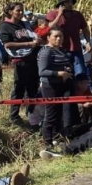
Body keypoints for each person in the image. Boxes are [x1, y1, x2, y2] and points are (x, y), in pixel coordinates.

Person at [0, 2, 41, 125]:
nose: (21, 12)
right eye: (18, 10)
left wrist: (36, 41)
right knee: (19, 89)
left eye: (22, 10)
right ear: (11, 12)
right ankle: (14, 116)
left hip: (32, 59)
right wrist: (28, 44)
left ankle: (31, 115)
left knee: (32, 89)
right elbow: (7, 44)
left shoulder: (24, 24)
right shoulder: (5, 26)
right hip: (20, 61)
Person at [37, 28, 75, 158]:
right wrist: (59, 73)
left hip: (61, 86)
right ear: (48, 37)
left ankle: (56, 138)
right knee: (51, 114)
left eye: (61, 37)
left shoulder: (61, 50)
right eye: (56, 36)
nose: (59, 39)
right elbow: (42, 71)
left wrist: (67, 71)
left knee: (59, 114)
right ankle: (47, 143)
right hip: (50, 86)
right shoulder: (46, 52)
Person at [46, 0, 92, 82]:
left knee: (80, 73)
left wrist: (88, 42)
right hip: (59, 49)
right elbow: (49, 27)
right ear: (61, 4)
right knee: (64, 75)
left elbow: (85, 29)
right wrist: (59, 14)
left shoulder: (77, 14)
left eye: (71, 2)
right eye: (67, 2)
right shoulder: (53, 14)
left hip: (76, 48)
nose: (70, 4)